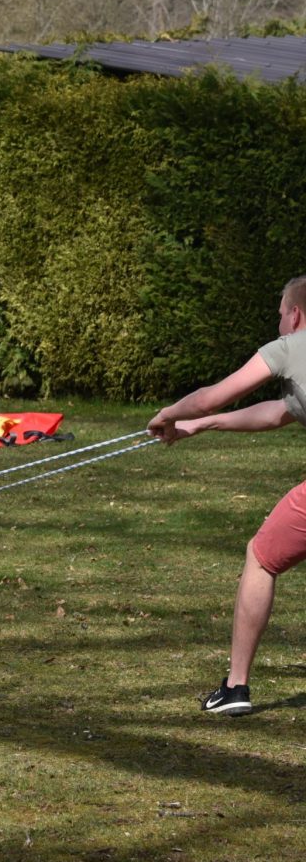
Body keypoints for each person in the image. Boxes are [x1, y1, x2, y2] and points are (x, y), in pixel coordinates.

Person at [148, 274, 306, 716]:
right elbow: (279, 412)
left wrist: (169, 414)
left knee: (262, 557)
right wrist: (205, 425)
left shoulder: (292, 346)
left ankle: (235, 687)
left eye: (280, 315)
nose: (279, 324)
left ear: (295, 314)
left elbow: (210, 397)